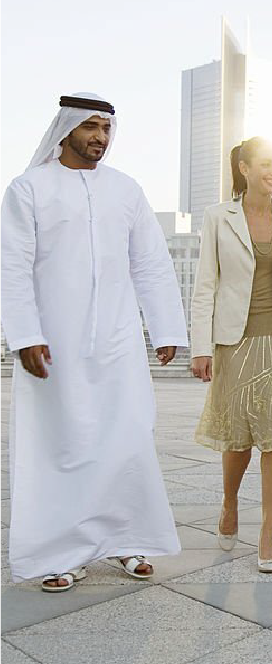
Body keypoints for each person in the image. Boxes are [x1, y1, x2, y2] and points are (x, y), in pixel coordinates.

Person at [0, 93, 187, 591]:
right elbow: (12, 267)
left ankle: (128, 540)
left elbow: (150, 261)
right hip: (51, 343)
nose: (100, 137)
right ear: (65, 130)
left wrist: (165, 328)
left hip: (119, 339)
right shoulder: (28, 189)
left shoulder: (126, 190)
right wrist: (24, 335)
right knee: (61, 444)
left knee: (126, 437)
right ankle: (58, 554)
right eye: (90, 127)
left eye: (106, 128)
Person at [190, 136, 272, 573]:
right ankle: (229, 503)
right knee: (237, 437)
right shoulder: (217, 217)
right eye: (265, 164)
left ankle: (268, 532)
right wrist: (200, 348)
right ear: (244, 168)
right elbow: (205, 285)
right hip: (235, 341)